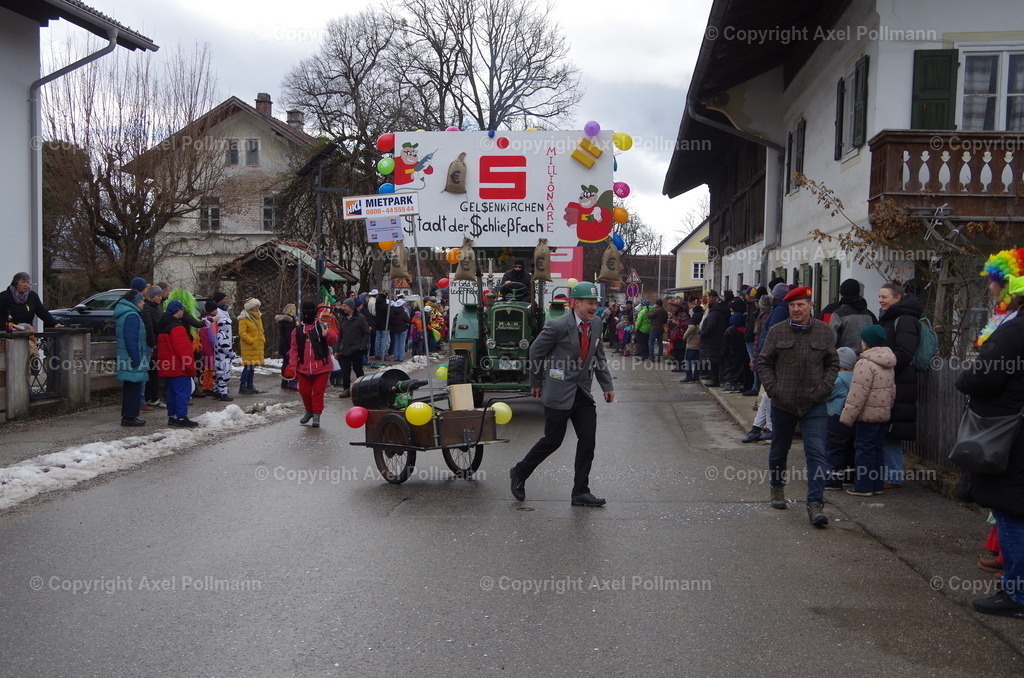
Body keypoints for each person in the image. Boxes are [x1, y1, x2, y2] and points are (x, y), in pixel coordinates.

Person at [955, 266, 1024, 619]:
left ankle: (1017, 593)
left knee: (1011, 510)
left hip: (1010, 438)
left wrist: (967, 374)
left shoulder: (1014, 332)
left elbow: (977, 378)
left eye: (996, 284)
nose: (994, 291)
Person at [510, 282, 614, 507]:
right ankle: (519, 472)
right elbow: (536, 352)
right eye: (589, 303)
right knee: (552, 441)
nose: (593, 307)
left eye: (596, 303)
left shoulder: (596, 324)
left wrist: (606, 385)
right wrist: (536, 381)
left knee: (588, 440)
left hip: (582, 393)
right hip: (559, 391)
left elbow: (599, 356)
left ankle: (580, 492)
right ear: (575, 303)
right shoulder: (557, 326)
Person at [758, 286, 840, 527]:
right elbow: (764, 362)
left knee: (816, 452)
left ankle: (815, 504)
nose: (796, 309)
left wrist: (823, 389)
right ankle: (777, 487)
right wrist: (774, 390)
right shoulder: (777, 331)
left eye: (801, 304)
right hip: (783, 403)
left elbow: (832, 364)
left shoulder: (824, 332)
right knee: (778, 450)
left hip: (814, 403)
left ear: (810, 306)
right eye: (792, 305)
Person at [840, 325, 896, 497]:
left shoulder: (864, 363)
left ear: (867, 342)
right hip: (882, 414)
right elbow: (892, 390)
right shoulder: (888, 362)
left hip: (866, 415)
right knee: (877, 449)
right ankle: (876, 484)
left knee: (864, 449)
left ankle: (863, 486)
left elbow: (858, 393)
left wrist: (847, 417)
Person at [877, 281, 923, 487]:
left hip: (899, 381)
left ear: (897, 298)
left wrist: (882, 365)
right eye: (880, 296)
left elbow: (905, 352)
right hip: (893, 380)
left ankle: (893, 476)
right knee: (887, 428)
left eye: (884, 296)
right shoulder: (895, 318)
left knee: (891, 429)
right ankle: (889, 474)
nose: (880, 300)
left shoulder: (904, 320)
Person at [288, 301, 339, 427]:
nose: (307, 314)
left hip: (322, 366)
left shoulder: (321, 325)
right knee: (304, 391)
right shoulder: (298, 330)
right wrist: (292, 366)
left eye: (310, 311)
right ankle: (309, 410)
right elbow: (294, 349)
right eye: (305, 311)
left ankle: (317, 414)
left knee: (318, 392)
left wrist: (328, 333)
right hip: (303, 367)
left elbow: (333, 341)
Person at [156, 300, 200, 428]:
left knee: (171, 392)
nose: (183, 312)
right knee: (182, 392)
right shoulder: (177, 328)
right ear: (177, 311)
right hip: (179, 366)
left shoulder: (164, 325)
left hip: (168, 365)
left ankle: (172, 416)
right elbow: (184, 350)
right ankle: (181, 417)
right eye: (182, 309)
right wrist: (190, 368)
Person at [821, 347, 858, 482]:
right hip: (852, 420)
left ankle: (832, 480)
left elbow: (825, 395)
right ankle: (850, 477)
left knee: (834, 450)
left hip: (836, 419)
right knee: (850, 450)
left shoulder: (837, 380)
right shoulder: (857, 377)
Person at [113, 290, 149, 427]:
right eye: (141, 300)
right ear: (135, 302)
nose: (143, 302)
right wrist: (135, 358)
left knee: (131, 386)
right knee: (133, 387)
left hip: (127, 356)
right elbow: (131, 339)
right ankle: (129, 416)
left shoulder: (127, 314)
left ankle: (130, 416)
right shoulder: (132, 316)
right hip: (133, 357)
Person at [828, 279, 879, 351]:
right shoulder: (870, 315)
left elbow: (831, 342)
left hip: (844, 359)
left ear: (841, 294)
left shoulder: (838, 315)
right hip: (866, 358)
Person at [336, 298, 371, 398]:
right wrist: (337, 350)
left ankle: (363, 387)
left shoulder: (360, 318)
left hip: (356, 348)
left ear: (351, 307)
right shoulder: (342, 319)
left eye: (345, 306)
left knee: (358, 369)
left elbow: (366, 333)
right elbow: (340, 336)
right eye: (343, 306)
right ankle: (346, 389)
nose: (343, 308)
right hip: (344, 348)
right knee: (345, 371)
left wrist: (362, 346)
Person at [141, 286, 164, 411]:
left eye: (161, 295)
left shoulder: (157, 308)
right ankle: (151, 397)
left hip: (157, 342)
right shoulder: (149, 308)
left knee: (154, 371)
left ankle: (152, 397)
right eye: (158, 296)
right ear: (151, 296)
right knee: (151, 371)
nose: (160, 298)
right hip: (154, 343)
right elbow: (153, 326)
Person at [699, 290, 729, 387]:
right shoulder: (721, 309)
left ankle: (715, 380)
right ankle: (716, 378)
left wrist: (703, 333)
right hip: (719, 338)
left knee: (714, 360)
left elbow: (711, 327)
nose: (707, 299)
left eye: (708, 297)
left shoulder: (714, 312)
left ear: (713, 297)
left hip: (714, 340)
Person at [721, 297, 751, 393]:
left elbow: (725, 345)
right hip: (741, 354)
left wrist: (722, 354)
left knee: (731, 369)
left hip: (731, 354)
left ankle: (731, 384)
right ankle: (739, 384)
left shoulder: (730, 331)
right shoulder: (745, 328)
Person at [210, 291, 235, 401]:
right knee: (224, 373)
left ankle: (218, 390)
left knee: (219, 373)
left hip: (222, 350)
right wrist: (231, 353)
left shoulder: (224, 310)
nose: (227, 300)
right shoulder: (219, 313)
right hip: (223, 353)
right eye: (225, 298)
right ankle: (222, 391)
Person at [238, 298, 266, 395]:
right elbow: (242, 333)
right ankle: (243, 385)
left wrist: (262, 339)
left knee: (252, 366)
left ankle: (250, 385)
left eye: (258, 306)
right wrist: (251, 341)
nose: (257, 308)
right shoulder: (244, 318)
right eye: (255, 306)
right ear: (250, 307)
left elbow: (261, 331)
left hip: (256, 346)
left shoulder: (258, 317)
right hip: (249, 346)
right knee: (248, 366)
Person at [276, 303, 298, 390]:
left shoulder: (283, 320)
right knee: (288, 363)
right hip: (288, 345)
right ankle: (288, 380)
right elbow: (290, 335)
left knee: (285, 362)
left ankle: (284, 381)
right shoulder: (290, 321)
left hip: (283, 344)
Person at [680, 305, 703, 383]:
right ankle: (696, 376)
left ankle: (688, 376)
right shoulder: (703, 317)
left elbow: (691, 327)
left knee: (688, 361)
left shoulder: (694, 318)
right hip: (699, 343)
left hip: (692, 343)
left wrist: (685, 336)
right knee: (697, 361)